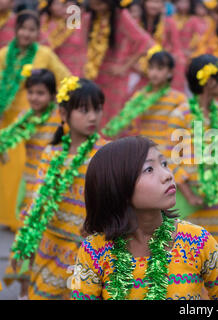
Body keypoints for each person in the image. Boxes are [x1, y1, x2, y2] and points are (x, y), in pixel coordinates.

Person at [70, 136, 218, 300]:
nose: (167, 175)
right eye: (149, 169)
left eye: (164, 163)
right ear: (118, 187)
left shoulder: (197, 241)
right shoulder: (93, 252)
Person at [10, 77, 107, 300]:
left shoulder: (106, 154)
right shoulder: (51, 154)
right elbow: (37, 204)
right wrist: (23, 244)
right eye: (84, 110)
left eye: (98, 109)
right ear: (64, 114)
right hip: (49, 248)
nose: (93, 117)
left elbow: (116, 201)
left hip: (86, 252)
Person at [0, 10, 70, 232]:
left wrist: (62, 104)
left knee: (27, 168)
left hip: (38, 120)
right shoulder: (3, 55)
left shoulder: (45, 54)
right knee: (9, 170)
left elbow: (65, 78)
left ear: (38, 32)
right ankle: (11, 216)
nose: (27, 34)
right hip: (9, 120)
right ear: (16, 30)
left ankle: (25, 218)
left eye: (32, 29)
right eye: (23, 28)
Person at [1, 68, 60, 299]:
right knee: (26, 243)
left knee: (47, 242)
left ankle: (47, 288)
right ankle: (25, 292)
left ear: (53, 96)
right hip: (28, 190)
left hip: (53, 188)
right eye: (31, 92)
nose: (35, 97)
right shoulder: (24, 117)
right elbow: (5, 141)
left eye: (41, 93)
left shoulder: (60, 117)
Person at [166, 54, 218, 254]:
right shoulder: (180, 115)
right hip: (190, 200)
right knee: (189, 257)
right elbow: (172, 159)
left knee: (217, 259)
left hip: (216, 199)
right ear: (211, 82)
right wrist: (190, 195)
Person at [103, 46, 186, 157]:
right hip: (145, 150)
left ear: (170, 72)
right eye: (151, 68)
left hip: (167, 152)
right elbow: (127, 123)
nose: (154, 73)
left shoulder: (178, 98)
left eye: (160, 69)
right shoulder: (140, 96)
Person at [85, 0, 152, 127]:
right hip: (93, 76)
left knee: (109, 120)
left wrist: (124, 66)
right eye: (94, 5)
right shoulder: (91, 16)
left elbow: (145, 43)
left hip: (113, 79)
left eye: (100, 4)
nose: (97, 8)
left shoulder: (121, 16)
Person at [138, 0, 185, 91]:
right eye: (151, 2)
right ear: (144, 3)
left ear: (163, 5)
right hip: (137, 66)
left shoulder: (169, 22)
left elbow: (176, 47)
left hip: (162, 64)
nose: (154, 5)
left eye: (157, 2)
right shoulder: (136, 20)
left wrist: (164, 63)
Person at [39, 0, 88, 77]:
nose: (67, 11)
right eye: (65, 7)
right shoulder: (55, 27)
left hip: (77, 71)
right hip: (59, 70)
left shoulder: (84, 26)